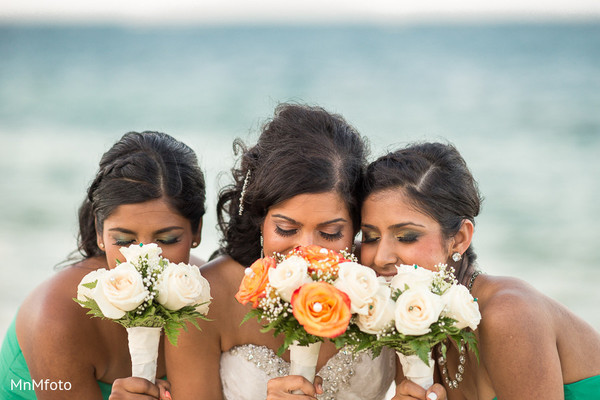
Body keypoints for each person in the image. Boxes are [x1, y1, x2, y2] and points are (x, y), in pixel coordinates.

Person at [166, 103, 397, 400]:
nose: (306, 250)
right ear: (260, 219)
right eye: (287, 229)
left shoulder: (385, 284)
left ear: (356, 229)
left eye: (330, 233)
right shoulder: (204, 298)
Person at [360, 142, 600, 400]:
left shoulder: (509, 315)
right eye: (370, 237)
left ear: (460, 238)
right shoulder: (414, 320)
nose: (381, 257)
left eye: (406, 236)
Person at [0, 131, 207, 400]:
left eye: (166, 239)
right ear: (100, 233)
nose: (143, 258)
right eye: (123, 240)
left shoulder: (203, 294)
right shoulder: (56, 317)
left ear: (197, 232)